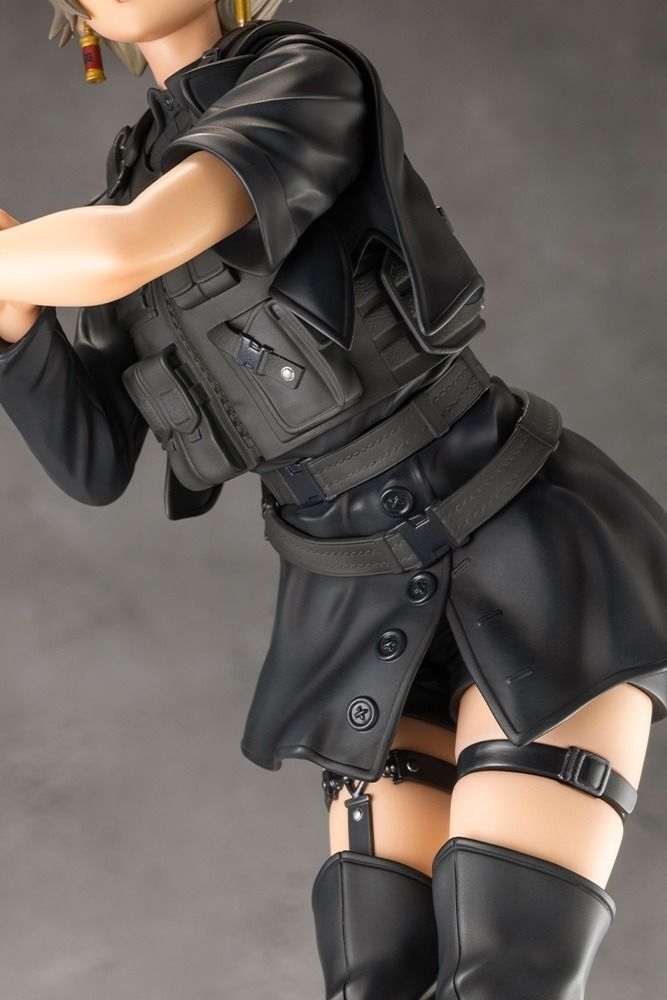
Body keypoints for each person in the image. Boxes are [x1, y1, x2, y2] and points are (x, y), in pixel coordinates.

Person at [1, 2, 666, 997]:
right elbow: (93, 459)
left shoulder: (301, 78)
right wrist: (15, 323)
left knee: (506, 975)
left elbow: (126, 247)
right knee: (376, 979)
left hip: (516, 539)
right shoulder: (126, 187)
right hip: (354, 598)